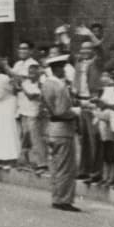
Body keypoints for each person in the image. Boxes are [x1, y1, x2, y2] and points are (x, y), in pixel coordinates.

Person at [42, 54, 81, 212]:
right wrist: (76, 111)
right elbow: (62, 111)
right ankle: (64, 199)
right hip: (63, 129)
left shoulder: (46, 84)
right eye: (62, 68)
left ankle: (57, 197)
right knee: (66, 166)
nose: (64, 71)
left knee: (56, 166)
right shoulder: (59, 86)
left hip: (52, 129)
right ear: (57, 69)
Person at [73, 40, 105, 183]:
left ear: (93, 50)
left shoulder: (96, 62)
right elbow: (76, 82)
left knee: (95, 138)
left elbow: (100, 51)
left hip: (93, 102)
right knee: (84, 137)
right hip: (82, 101)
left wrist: (90, 36)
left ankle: (96, 171)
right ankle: (84, 169)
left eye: (88, 49)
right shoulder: (79, 64)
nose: (85, 51)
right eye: (83, 48)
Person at [16, 62, 48, 174]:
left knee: (36, 139)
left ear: (39, 73)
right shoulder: (26, 82)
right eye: (30, 73)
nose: (31, 75)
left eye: (34, 73)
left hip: (35, 115)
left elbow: (31, 96)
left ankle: (42, 163)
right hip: (24, 113)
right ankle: (24, 161)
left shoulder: (42, 84)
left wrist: (22, 86)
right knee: (25, 137)